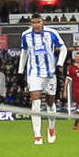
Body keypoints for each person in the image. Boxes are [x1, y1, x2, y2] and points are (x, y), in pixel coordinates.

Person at [18, 14, 66, 145]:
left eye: (38, 22)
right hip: (34, 73)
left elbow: (63, 48)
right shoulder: (26, 35)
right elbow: (24, 52)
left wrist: (59, 64)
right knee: (36, 103)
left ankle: (51, 128)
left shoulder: (52, 33)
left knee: (50, 103)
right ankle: (37, 136)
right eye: (33, 22)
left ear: (42, 22)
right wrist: (20, 71)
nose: (36, 25)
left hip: (50, 73)